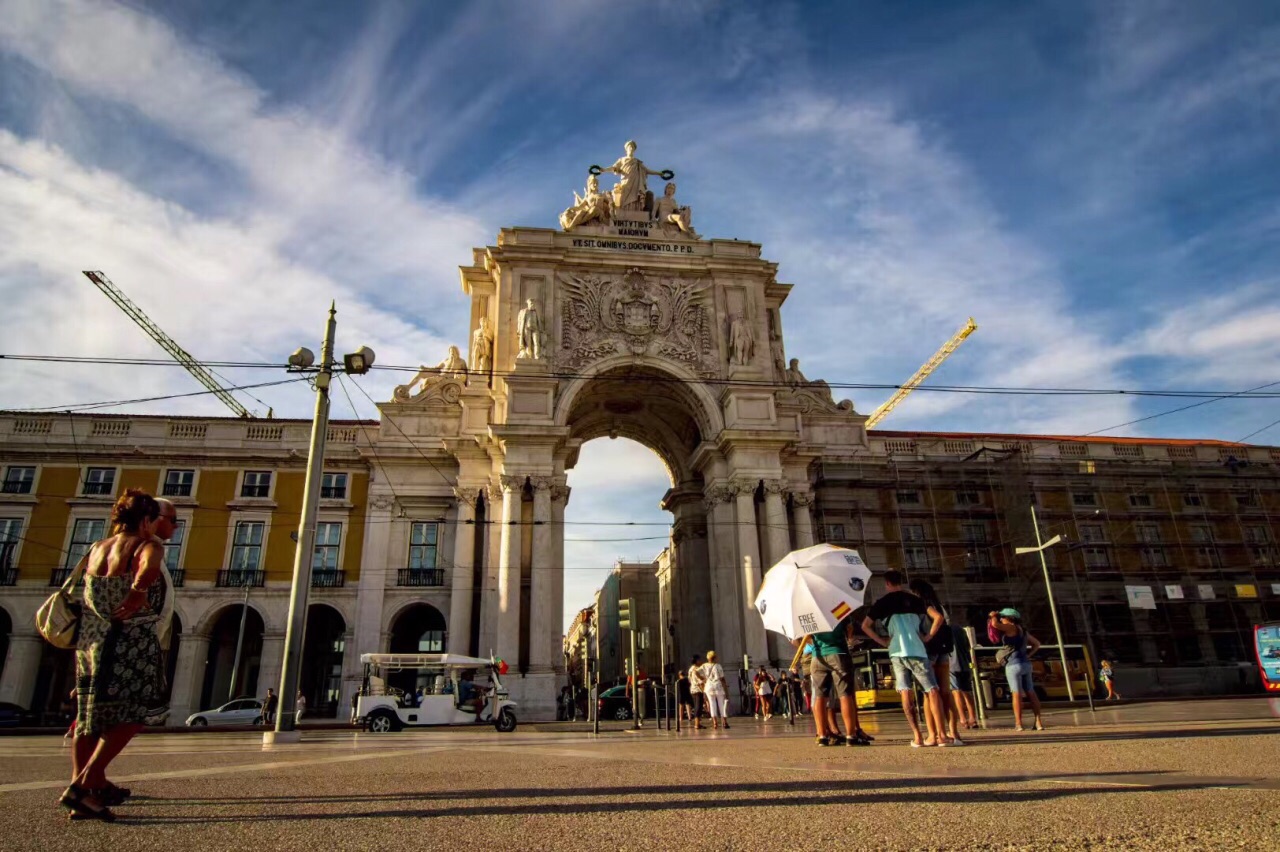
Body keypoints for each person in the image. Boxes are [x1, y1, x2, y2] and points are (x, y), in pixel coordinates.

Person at [62, 488, 169, 821]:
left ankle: (89, 795)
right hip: (128, 640)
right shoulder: (145, 544)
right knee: (135, 713)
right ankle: (82, 786)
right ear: (147, 520)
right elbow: (149, 567)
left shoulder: (96, 548)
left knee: (89, 721)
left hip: (92, 642)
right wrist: (138, 592)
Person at [862, 570, 947, 747]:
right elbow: (939, 617)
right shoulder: (916, 600)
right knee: (932, 690)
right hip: (918, 650)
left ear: (886, 583)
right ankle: (941, 735)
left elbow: (865, 626)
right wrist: (928, 636)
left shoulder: (882, 603)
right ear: (901, 582)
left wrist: (882, 641)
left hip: (896, 652)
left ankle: (917, 736)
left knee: (905, 691)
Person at [909, 579, 963, 746]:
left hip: (929, 651)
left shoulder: (923, 605)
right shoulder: (939, 604)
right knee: (946, 693)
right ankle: (953, 732)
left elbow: (937, 618)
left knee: (929, 693)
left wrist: (928, 636)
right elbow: (944, 619)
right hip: (943, 651)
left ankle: (933, 734)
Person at [803, 616, 869, 747]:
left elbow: (806, 639)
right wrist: (848, 637)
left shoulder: (810, 614)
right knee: (845, 695)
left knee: (820, 697)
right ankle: (851, 736)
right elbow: (849, 629)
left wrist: (817, 643)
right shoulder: (837, 608)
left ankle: (822, 736)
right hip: (838, 653)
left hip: (817, 658)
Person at [988, 608, 1045, 731]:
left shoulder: (1010, 627)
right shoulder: (1023, 630)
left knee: (1016, 694)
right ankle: (1038, 722)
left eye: (1002, 617)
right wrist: (1028, 655)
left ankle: (1018, 723)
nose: (1001, 619)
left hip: (1013, 665)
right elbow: (1037, 644)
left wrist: (993, 615)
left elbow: (994, 624)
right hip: (1026, 664)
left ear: (1008, 618)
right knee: (1031, 692)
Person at [948, 624, 979, 730]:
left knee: (956, 692)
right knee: (967, 692)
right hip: (965, 664)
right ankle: (973, 718)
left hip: (951, 664)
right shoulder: (960, 629)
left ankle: (962, 719)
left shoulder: (942, 630)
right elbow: (968, 647)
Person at [701, 651, 730, 730]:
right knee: (721, 704)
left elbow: (696, 671)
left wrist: (702, 679)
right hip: (718, 686)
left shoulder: (704, 665)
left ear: (708, 658)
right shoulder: (718, 666)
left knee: (712, 704)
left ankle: (715, 723)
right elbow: (722, 678)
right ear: (715, 657)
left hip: (709, 687)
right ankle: (724, 722)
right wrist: (726, 688)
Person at [687, 655, 706, 729]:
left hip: (693, 689)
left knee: (696, 706)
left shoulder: (690, 669)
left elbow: (689, 679)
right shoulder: (697, 669)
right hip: (698, 689)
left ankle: (697, 722)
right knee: (698, 706)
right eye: (699, 660)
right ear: (696, 661)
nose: (701, 661)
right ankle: (697, 723)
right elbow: (700, 681)